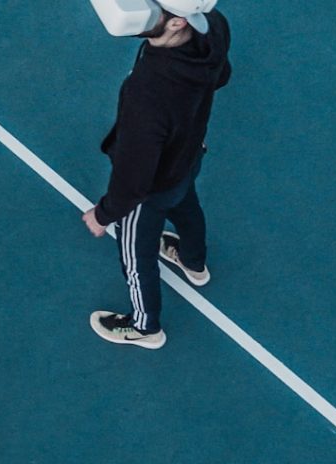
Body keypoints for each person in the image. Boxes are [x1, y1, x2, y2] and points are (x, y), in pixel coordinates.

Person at [82, 0, 231, 349]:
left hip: (151, 189)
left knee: (136, 257)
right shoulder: (215, 25)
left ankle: (146, 327)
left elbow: (134, 178)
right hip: (189, 154)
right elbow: (221, 75)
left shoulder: (147, 93)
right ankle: (195, 263)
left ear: (178, 23)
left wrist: (104, 214)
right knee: (186, 207)